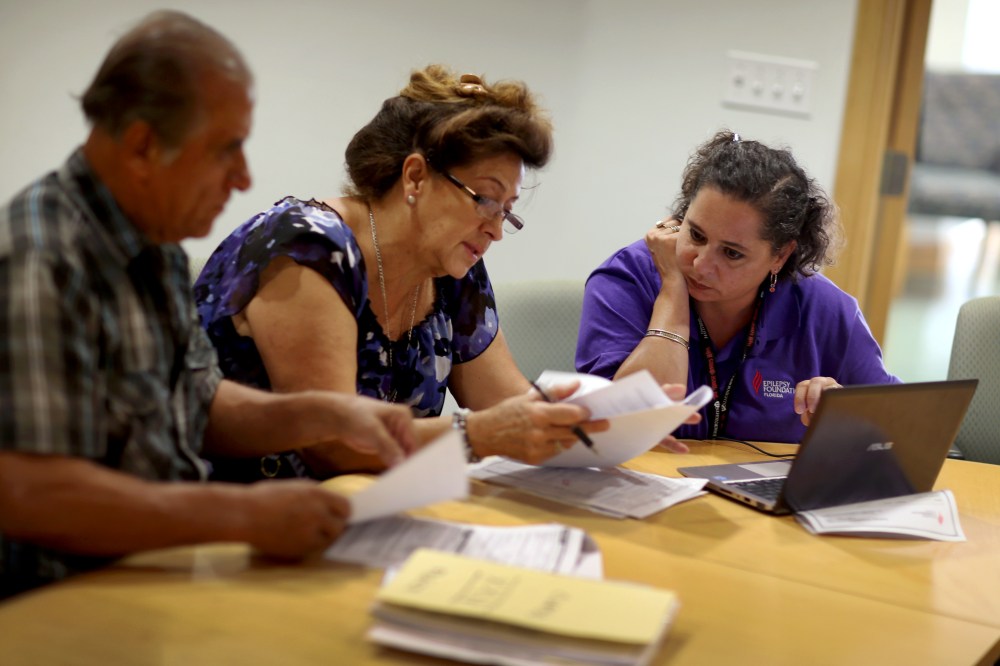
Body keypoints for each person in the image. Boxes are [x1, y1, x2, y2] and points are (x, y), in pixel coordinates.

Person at [0, 10, 417, 599]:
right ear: (144, 145)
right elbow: (30, 493)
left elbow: (199, 402)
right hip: (52, 604)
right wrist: (239, 515)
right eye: (227, 149)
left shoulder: (156, 246)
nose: (244, 178)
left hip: (152, 580)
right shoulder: (42, 258)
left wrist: (325, 414)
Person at [194, 64, 690, 481]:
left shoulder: (454, 270)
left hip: (370, 518)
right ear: (414, 176)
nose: (495, 230)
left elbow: (512, 405)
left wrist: (607, 417)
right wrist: (480, 435)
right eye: (485, 200)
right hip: (230, 528)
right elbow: (332, 444)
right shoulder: (307, 245)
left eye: (507, 210)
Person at [576, 130, 900, 446]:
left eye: (732, 253)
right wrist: (672, 289)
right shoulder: (627, 278)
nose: (701, 264)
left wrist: (848, 414)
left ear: (780, 255)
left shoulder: (825, 309)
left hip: (766, 497)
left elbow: (900, 423)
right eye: (696, 236)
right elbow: (620, 423)